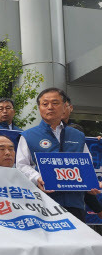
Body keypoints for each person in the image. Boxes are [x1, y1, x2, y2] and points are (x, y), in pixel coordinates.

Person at [16, 87, 99, 222]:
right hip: (43, 204)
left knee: (75, 243)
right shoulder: (28, 136)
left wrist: (90, 184)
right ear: (39, 108)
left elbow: (86, 164)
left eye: (55, 103)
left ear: (65, 106)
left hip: (75, 204)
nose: (50, 107)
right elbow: (21, 165)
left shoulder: (77, 135)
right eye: (45, 104)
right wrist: (37, 178)